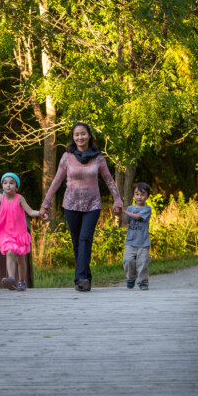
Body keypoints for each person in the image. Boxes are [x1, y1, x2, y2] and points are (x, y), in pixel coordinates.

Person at [38, 122, 123, 292]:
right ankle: (85, 278)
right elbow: (56, 181)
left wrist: (117, 200)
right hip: (71, 204)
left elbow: (108, 179)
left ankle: (81, 277)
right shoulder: (67, 157)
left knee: (85, 239)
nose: (80, 137)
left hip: (93, 204)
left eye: (83, 134)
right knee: (77, 242)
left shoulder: (98, 157)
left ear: (89, 135)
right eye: (77, 134)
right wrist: (45, 204)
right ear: (73, 137)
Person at [122, 182, 152, 290]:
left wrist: (124, 211)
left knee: (142, 262)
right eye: (137, 194)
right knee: (127, 260)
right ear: (134, 195)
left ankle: (143, 282)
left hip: (143, 242)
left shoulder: (147, 209)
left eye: (142, 194)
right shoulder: (130, 208)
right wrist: (119, 214)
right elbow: (126, 221)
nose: (139, 197)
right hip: (130, 241)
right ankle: (130, 278)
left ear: (147, 196)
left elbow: (138, 217)